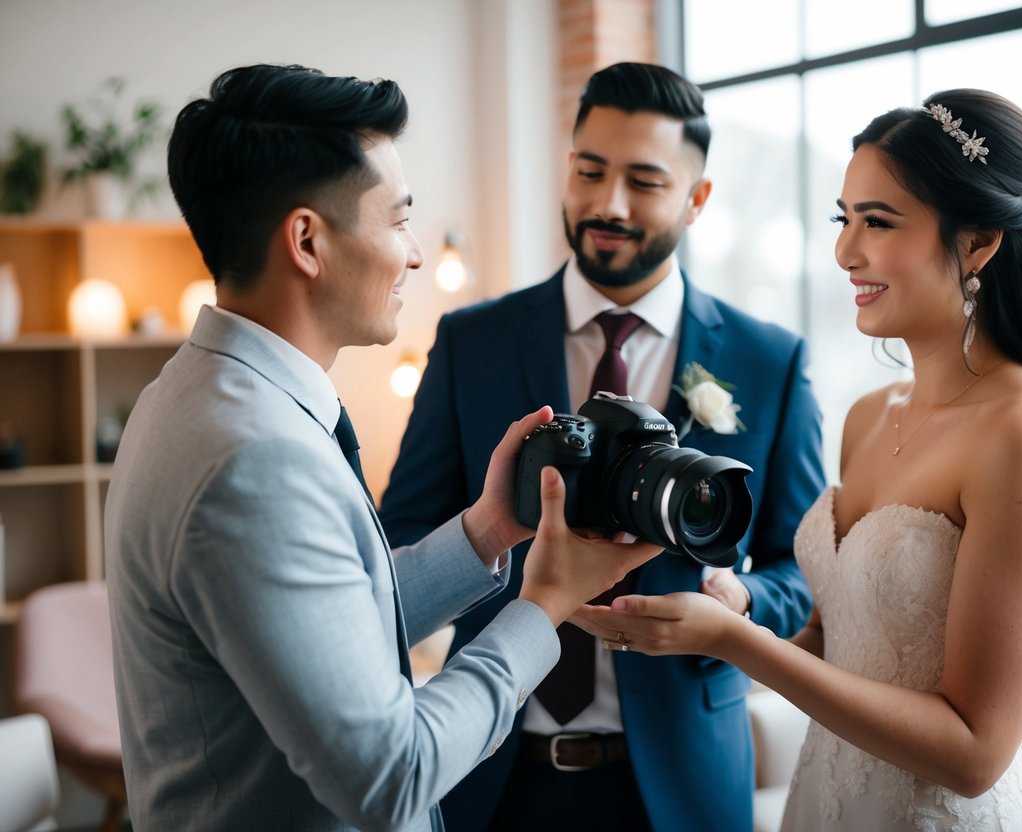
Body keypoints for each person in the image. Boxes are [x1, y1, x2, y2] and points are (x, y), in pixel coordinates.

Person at [104, 63, 662, 832]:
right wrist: (545, 605)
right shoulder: (253, 460)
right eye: (398, 219)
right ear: (307, 240)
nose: (414, 255)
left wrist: (487, 530)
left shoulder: (195, 393)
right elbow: (391, 778)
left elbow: (322, 627)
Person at [573, 88, 1022, 831]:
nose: (844, 252)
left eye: (877, 222)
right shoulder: (868, 417)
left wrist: (734, 642)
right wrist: (718, 612)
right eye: (843, 218)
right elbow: (847, 646)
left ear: (976, 242)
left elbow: (974, 752)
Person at [378, 62, 826, 831]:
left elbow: (805, 570)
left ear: (697, 199)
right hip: (491, 775)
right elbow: (402, 540)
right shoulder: (470, 341)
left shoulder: (767, 359)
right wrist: (500, 553)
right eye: (588, 171)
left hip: (682, 786)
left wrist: (742, 598)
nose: (606, 204)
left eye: (644, 182)